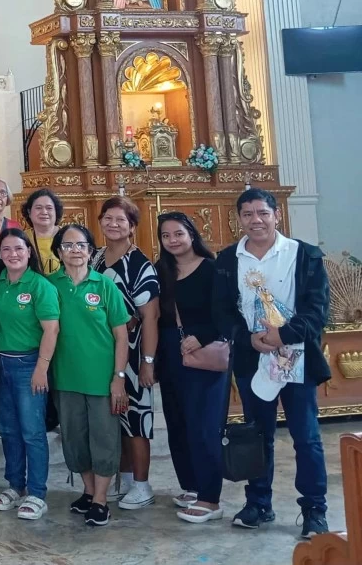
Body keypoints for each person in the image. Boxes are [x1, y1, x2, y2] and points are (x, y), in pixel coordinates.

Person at [213, 188, 329, 537]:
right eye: (247, 214)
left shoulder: (303, 255)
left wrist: (284, 335)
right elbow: (221, 311)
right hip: (254, 358)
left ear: (277, 215)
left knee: (305, 437)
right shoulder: (228, 258)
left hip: (297, 357)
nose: (255, 220)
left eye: (262, 212)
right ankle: (258, 503)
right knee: (255, 434)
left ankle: (314, 510)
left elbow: (317, 308)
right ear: (239, 219)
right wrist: (246, 337)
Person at [49, 223, 129, 528]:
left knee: (104, 440)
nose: (75, 251)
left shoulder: (104, 285)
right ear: (58, 252)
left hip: (102, 380)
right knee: (74, 440)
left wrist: (118, 377)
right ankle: (88, 490)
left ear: (90, 250)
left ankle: (100, 501)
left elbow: (121, 336)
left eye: (81, 245)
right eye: (68, 246)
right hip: (65, 379)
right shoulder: (49, 285)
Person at [154, 212, 229, 524]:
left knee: (204, 426)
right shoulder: (161, 270)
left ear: (192, 234)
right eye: (166, 236)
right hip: (170, 353)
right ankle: (192, 485)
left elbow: (227, 315)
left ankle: (211, 498)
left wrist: (201, 337)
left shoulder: (213, 269)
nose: (173, 240)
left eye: (179, 234)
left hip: (204, 352)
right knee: (179, 423)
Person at [92, 196, 160, 510]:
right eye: (108, 218)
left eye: (121, 219)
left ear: (132, 226)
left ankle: (142, 485)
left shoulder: (139, 263)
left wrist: (147, 362)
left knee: (136, 419)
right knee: (113, 418)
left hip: (131, 354)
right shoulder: (94, 257)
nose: (113, 224)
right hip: (99, 350)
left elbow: (150, 317)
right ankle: (126, 480)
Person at [0, 228, 59, 521]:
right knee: (8, 429)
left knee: (32, 432)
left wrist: (42, 367)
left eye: (18, 249)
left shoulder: (40, 285)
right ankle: (15, 486)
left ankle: (37, 492)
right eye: (6, 249)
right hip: (0, 364)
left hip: (29, 365)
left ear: (29, 252)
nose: (13, 254)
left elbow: (51, 329)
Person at [20, 188, 63, 275]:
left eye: (49, 208)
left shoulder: (67, 236)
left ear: (56, 211)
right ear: (29, 212)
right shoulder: (22, 239)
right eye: (38, 208)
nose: (44, 212)